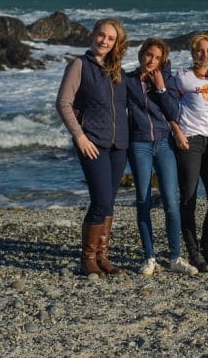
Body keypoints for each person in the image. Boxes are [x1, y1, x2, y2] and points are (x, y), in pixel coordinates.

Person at [56, 18, 129, 277]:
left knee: (109, 202)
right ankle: (87, 259)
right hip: (93, 143)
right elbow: (64, 103)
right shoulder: (79, 64)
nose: (104, 41)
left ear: (116, 43)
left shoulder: (117, 70)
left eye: (110, 39)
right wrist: (80, 137)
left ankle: (103, 257)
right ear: (93, 35)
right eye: (101, 35)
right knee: (99, 200)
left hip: (119, 145)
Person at [126, 37, 198, 276]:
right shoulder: (128, 81)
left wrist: (161, 88)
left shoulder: (167, 79)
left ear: (163, 60)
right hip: (139, 144)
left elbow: (175, 111)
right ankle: (149, 257)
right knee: (143, 201)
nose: (152, 60)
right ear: (141, 54)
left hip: (165, 145)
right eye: (148, 55)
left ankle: (176, 257)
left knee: (170, 201)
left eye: (157, 57)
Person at [167, 33, 208, 273]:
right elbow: (168, 107)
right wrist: (177, 132)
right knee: (189, 199)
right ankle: (193, 252)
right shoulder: (183, 78)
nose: (204, 55)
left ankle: (207, 247)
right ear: (193, 52)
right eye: (199, 51)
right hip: (189, 142)